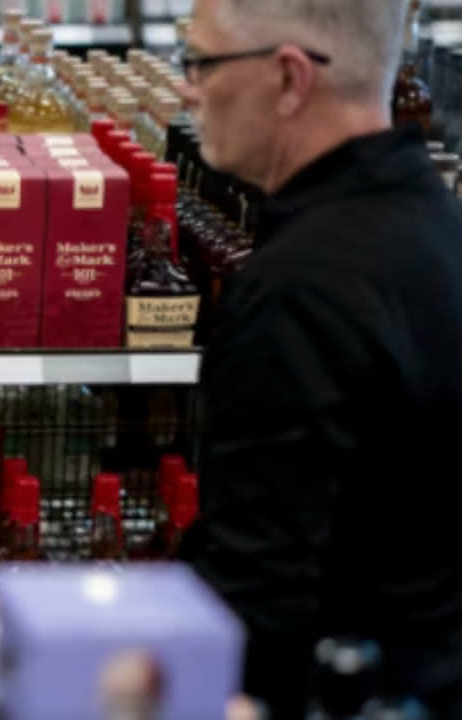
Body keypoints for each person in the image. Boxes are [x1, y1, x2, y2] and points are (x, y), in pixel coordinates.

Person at [173, 0, 462, 718]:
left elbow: (260, 600)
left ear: (290, 79)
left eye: (203, 62)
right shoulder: (438, 229)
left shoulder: (298, 292)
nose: (188, 87)